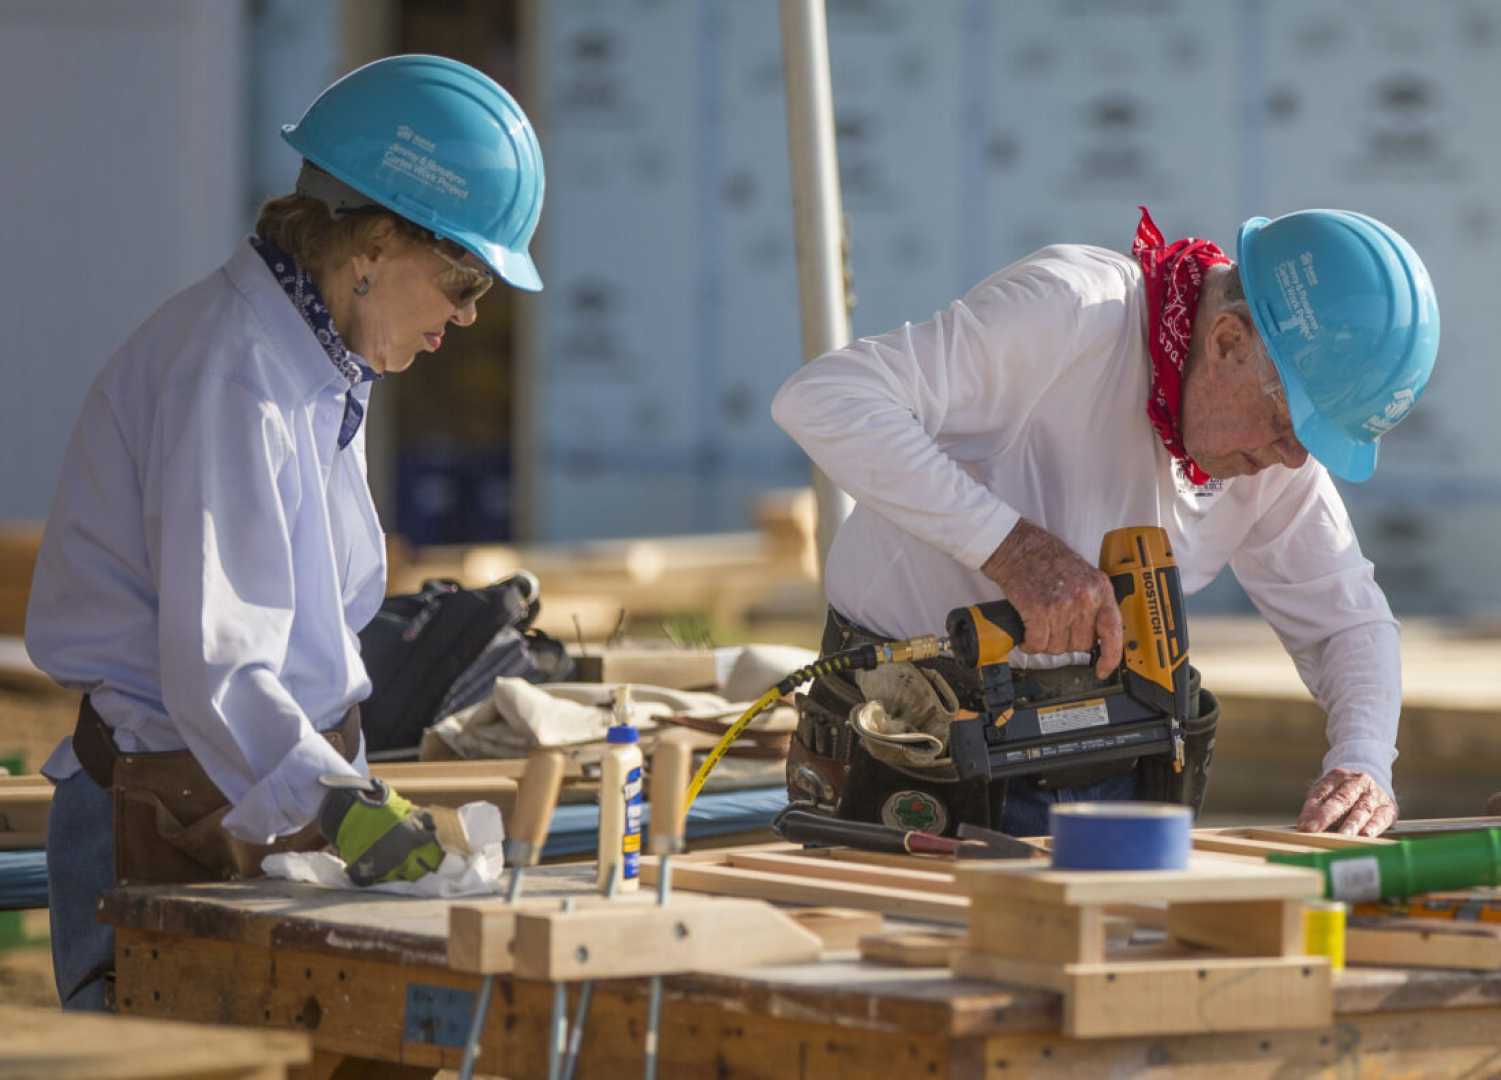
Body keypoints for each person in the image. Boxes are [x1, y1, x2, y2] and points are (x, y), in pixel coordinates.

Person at [25, 54, 544, 1011]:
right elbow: (218, 667)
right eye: (463, 281)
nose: (463, 320)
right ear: (375, 245)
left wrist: (335, 797)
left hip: (239, 799)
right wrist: (341, 809)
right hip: (174, 816)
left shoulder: (305, 363)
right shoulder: (231, 375)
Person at [772, 206, 1439, 841]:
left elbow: (1344, 620)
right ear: (1228, 340)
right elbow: (826, 398)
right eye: (1289, 425)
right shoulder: (1073, 312)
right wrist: (1008, 549)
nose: (1294, 459)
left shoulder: (1268, 448)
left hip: (1117, 761)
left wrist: (1360, 761)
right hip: (917, 749)